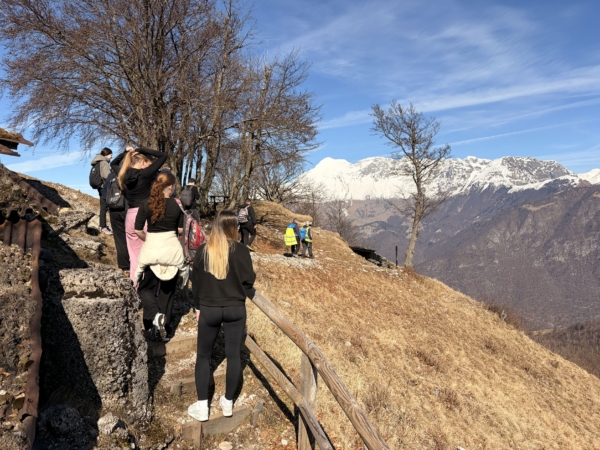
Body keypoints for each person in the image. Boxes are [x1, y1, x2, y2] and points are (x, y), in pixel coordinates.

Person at [187, 211, 256, 422]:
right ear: (234, 227)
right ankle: (227, 402)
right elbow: (249, 281)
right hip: (236, 309)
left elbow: (196, 283)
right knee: (234, 355)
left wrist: (197, 307)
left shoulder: (203, 250)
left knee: (203, 355)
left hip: (209, 308)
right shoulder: (241, 250)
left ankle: (202, 406)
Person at [134, 172, 187, 341]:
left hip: (151, 253)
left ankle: (153, 319)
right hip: (172, 253)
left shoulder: (146, 204)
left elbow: (137, 230)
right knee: (167, 292)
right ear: (170, 187)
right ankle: (165, 331)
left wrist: (149, 240)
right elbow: (180, 230)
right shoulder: (177, 206)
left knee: (145, 289)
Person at [111, 146, 167, 281]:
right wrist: (141, 149)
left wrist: (126, 152)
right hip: (146, 215)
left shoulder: (122, 174)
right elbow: (163, 156)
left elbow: (113, 163)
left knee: (134, 254)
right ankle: (151, 284)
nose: (149, 166)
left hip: (130, 215)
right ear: (142, 162)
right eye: (148, 163)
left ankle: (136, 284)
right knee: (151, 253)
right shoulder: (145, 174)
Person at [102, 169, 130, 275]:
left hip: (114, 210)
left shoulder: (111, 175)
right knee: (133, 237)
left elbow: (104, 194)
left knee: (120, 240)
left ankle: (125, 267)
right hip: (128, 209)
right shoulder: (131, 173)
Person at [91, 147, 113, 235]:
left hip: (100, 187)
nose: (111, 156)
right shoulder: (104, 162)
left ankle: (103, 226)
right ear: (107, 155)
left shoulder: (97, 162)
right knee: (107, 206)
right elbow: (107, 176)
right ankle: (103, 226)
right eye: (111, 155)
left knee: (103, 206)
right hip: (105, 187)